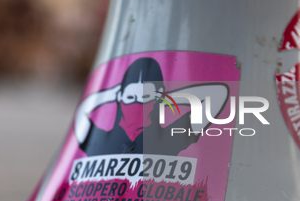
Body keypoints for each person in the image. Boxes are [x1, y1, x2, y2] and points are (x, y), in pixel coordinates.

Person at [74, 57, 229, 156]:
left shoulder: (170, 138)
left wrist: (167, 97)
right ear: (120, 98)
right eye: (130, 98)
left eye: (146, 98)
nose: (137, 105)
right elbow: (82, 114)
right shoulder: (101, 141)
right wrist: (111, 94)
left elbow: (218, 94)